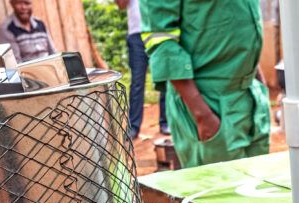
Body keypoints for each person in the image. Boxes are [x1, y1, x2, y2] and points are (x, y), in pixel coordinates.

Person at [140, 0, 270, 168]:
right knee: (221, 189)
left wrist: (259, 82)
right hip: (208, 102)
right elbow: (162, 40)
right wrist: (203, 116)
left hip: (250, 96)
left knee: (257, 184)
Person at [116, 0, 167, 139]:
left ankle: (166, 122)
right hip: (136, 34)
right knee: (137, 82)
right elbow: (121, 5)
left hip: (159, 31)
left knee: (165, 76)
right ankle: (134, 126)